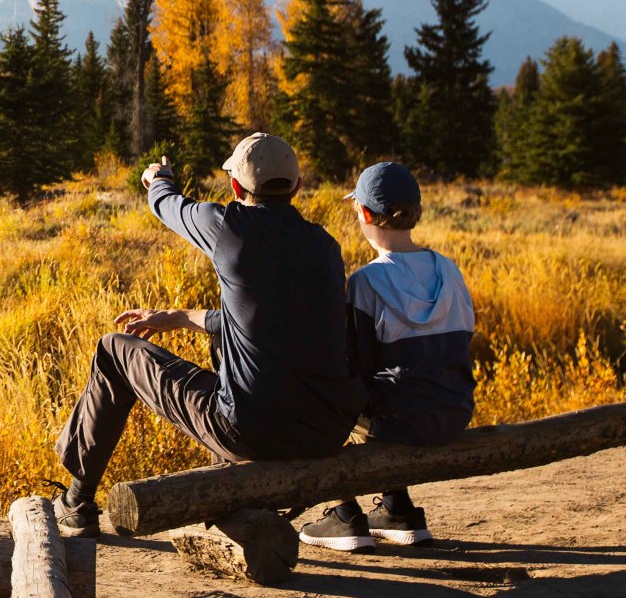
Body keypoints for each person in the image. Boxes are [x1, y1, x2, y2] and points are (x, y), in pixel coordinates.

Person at [53, 132, 365, 538]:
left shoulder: (229, 227)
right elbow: (265, 319)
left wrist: (158, 178)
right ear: (297, 186)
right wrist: (180, 318)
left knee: (113, 350)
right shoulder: (325, 245)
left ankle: (77, 501)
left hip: (251, 432)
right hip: (326, 430)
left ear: (235, 187)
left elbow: (166, 205)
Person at [299, 161, 476, 550]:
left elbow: (354, 371)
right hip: (454, 412)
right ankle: (398, 509)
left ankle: (344, 514)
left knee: (330, 404)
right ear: (416, 212)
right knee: (404, 387)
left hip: (401, 424)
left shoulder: (367, 282)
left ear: (363, 214)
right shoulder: (449, 270)